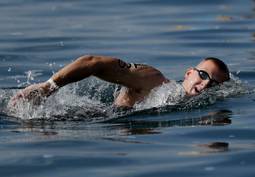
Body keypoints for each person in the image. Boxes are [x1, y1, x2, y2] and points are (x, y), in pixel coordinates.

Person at [10, 55, 230, 108]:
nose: (204, 85)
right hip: (86, 121)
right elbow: (92, 61)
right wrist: (48, 87)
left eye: (213, 84)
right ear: (189, 73)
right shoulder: (153, 80)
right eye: (203, 75)